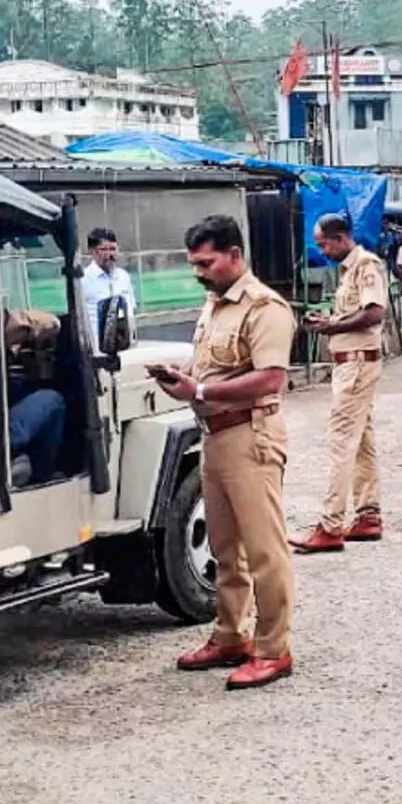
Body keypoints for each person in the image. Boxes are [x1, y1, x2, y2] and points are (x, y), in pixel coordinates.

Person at [150, 214, 296, 690]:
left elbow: (271, 378)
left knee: (263, 550)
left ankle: (274, 649)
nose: (199, 272)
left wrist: (203, 391)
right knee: (225, 548)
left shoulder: (264, 308)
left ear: (235, 255)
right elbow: (211, 367)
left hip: (250, 436)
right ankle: (231, 635)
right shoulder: (214, 306)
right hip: (214, 437)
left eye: (206, 262)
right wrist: (185, 379)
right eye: (194, 263)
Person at [289, 214, 390, 554]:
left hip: (357, 364)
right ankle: (368, 514)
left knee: (341, 441)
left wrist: (333, 326)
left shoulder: (365, 265)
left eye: (324, 243)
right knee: (361, 441)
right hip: (353, 363)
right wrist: (331, 322)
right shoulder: (350, 269)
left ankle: (330, 525)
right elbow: (357, 314)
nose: (322, 250)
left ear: (341, 237)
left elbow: (375, 312)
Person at [4, 308, 67, 484]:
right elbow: (47, 323)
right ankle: (41, 477)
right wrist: (34, 332)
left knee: (21, 388)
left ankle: (19, 457)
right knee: (53, 400)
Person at [81, 227, 136, 349]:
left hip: (123, 344)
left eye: (113, 249)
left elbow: (130, 309)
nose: (109, 254)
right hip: (96, 348)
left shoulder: (123, 276)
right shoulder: (83, 280)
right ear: (92, 251)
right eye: (104, 249)